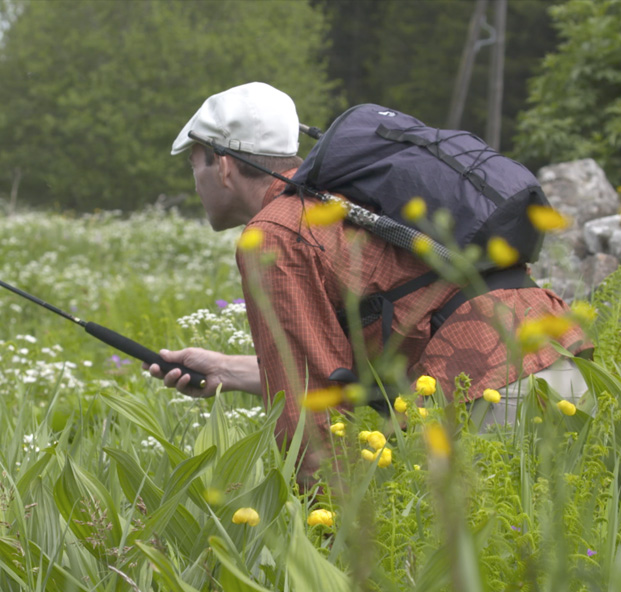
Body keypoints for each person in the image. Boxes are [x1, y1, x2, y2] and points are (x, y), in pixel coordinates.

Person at [145, 82, 592, 487]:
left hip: (490, 399)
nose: (196, 180)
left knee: (485, 571)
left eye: (193, 164)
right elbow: (356, 353)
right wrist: (229, 371)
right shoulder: (346, 198)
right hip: (561, 367)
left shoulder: (275, 234)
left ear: (223, 166)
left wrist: (331, 541)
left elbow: (311, 417)